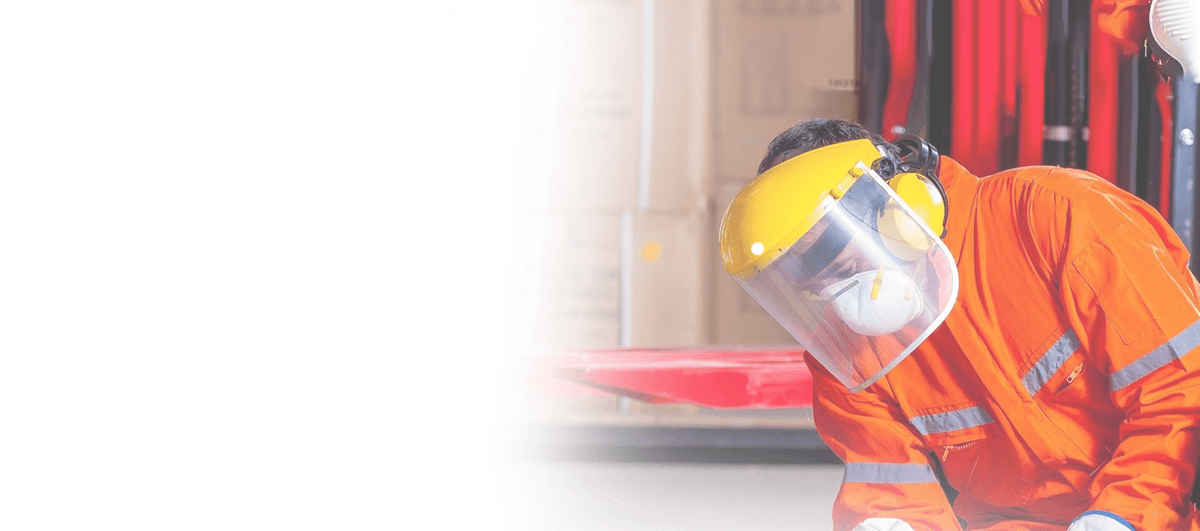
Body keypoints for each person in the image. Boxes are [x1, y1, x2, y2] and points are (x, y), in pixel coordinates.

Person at [718, 118, 1200, 531]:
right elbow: (893, 493)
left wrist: (1121, 517)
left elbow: (1179, 390)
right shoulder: (848, 355)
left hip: (1169, 508)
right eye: (809, 281)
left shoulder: (1058, 216)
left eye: (838, 262)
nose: (841, 298)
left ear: (897, 204)